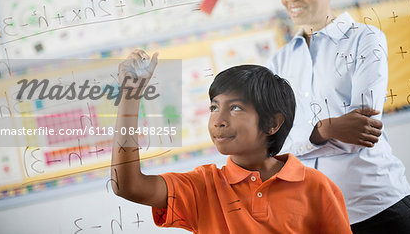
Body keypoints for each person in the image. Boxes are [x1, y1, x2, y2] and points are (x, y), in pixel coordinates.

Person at [267, 0, 410, 233]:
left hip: (380, 206)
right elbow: (272, 143)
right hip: (322, 219)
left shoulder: (365, 39)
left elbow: (362, 130)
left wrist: (303, 136)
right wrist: (324, 130)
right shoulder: (279, 62)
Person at [111, 49, 352, 233]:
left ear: (272, 123)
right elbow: (128, 185)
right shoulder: (202, 187)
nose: (218, 120)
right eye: (214, 107)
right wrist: (130, 97)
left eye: (235, 108)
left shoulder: (316, 187)